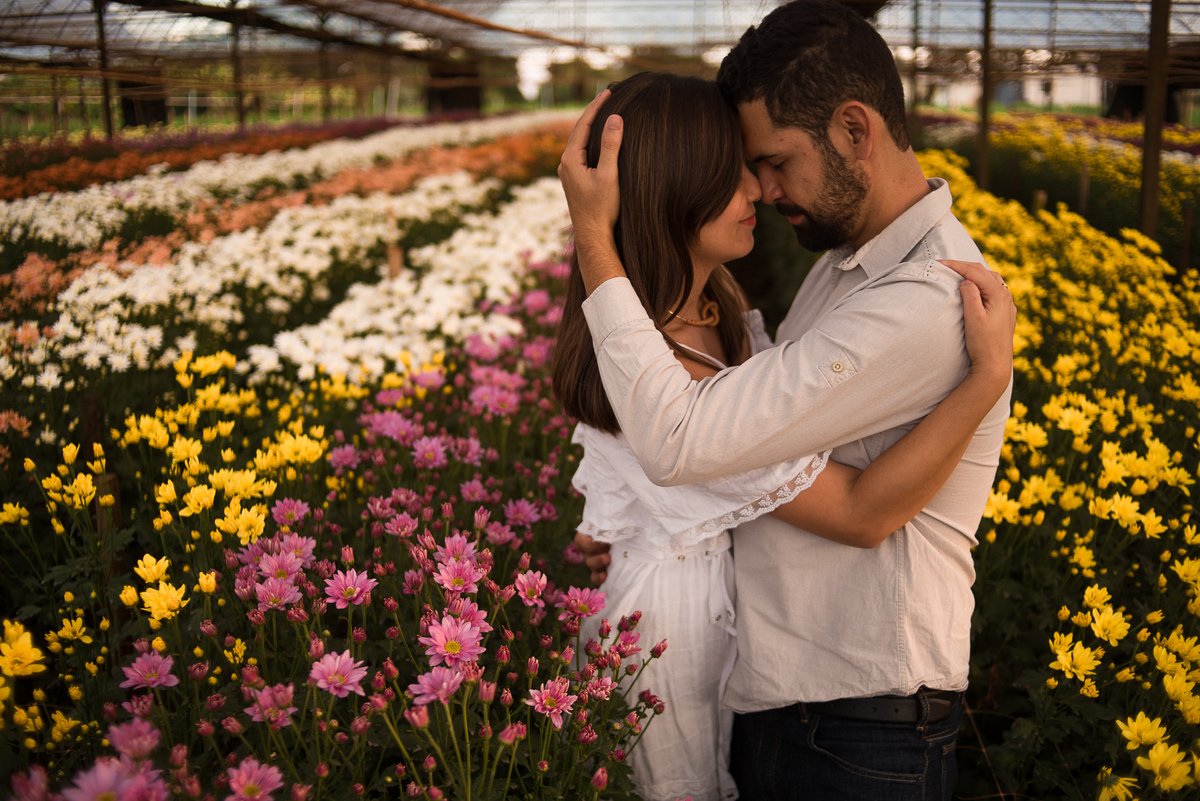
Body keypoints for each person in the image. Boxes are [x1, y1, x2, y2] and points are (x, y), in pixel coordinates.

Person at [557, 3, 1014, 800]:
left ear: (852, 130)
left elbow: (711, 447)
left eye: (773, 161)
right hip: (799, 705)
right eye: (744, 167)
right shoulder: (845, 260)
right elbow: (728, 447)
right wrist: (650, 527)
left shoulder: (919, 297)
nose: (763, 191)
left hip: (860, 719)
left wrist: (986, 384)